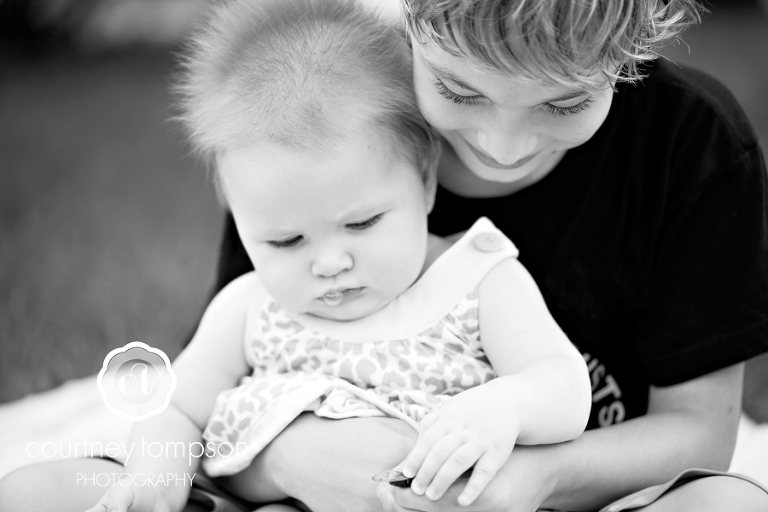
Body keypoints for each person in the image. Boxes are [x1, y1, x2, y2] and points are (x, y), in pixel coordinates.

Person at [0, 1, 592, 511]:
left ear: (426, 181)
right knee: (31, 491)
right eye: (285, 242)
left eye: (361, 223)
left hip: (411, 500)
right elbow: (177, 406)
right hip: (249, 494)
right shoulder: (251, 307)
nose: (329, 263)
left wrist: (506, 407)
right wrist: (156, 477)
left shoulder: (478, 280)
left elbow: (564, 386)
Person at [202, 0, 768, 511]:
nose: (503, 148)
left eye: (566, 102)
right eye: (459, 92)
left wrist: (528, 481)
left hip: (586, 493)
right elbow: (203, 397)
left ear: (627, 53)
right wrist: (292, 457)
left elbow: (698, 431)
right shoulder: (320, 118)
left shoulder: (687, 142)